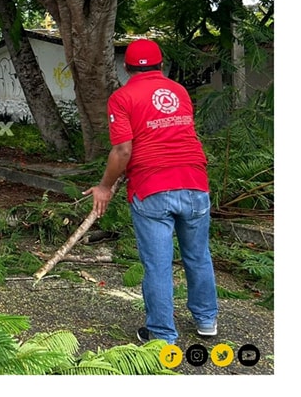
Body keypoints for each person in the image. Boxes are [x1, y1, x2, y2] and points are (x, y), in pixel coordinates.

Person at [84, 39, 217, 345]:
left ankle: (161, 334)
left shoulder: (122, 97)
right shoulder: (180, 92)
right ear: (161, 65)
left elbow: (122, 150)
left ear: (126, 67)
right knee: (197, 256)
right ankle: (207, 320)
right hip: (195, 183)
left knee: (158, 264)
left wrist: (104, 187)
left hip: (153, 188)